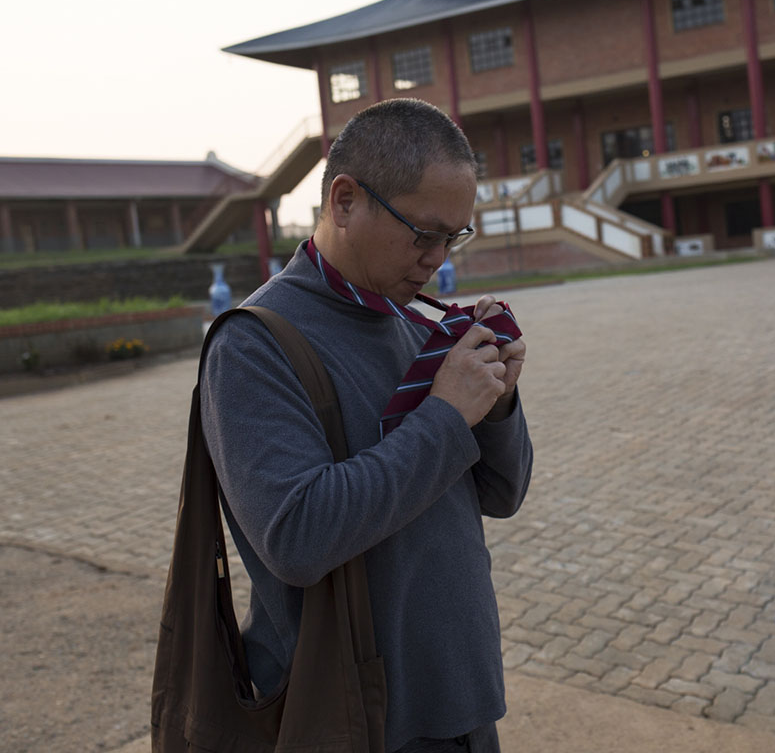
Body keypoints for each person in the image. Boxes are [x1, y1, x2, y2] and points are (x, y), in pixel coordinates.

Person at [200, 98, 533, 753]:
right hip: (360, 716)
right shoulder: (254, 344)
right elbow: (297, 536)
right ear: (345, 200)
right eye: (424, 234)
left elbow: (502, 494)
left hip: (462, 697)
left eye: (454, 238)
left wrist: (495, 402)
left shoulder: (414, 322)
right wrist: (446, 414)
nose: (437, 259)